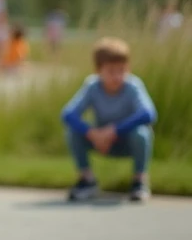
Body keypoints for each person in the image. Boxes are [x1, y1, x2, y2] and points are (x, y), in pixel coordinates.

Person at [61, 37, 157, 203]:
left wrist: (114, 131)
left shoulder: (133, 86)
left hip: (126, 140)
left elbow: (148, 113)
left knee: (142, 133)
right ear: (98, 70)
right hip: (100, 142)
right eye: (111, 71)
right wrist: (92, 133)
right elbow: (68, 114)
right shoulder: (92, 86)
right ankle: (87, 180)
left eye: (122, 70)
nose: (117, 76)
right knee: (73, 131)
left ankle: (139, 181)